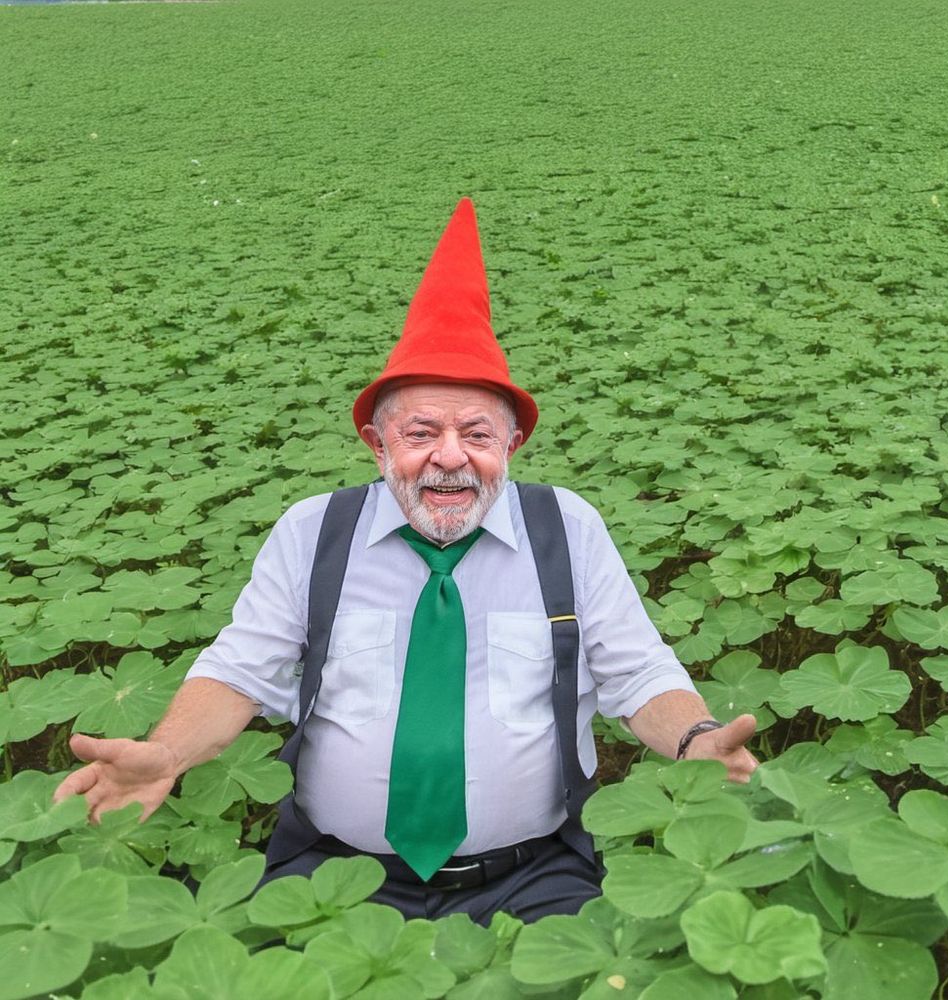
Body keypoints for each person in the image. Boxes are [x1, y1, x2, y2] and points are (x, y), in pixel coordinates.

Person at [54, 198, 757, 924]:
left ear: (512, 445)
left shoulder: (567, 529)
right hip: (333, 868)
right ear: (377, 443)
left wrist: (694, 739)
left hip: (535, 874)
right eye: (421, 432)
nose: (450, 457)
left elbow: (636, 671)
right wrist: (169, 754)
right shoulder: (313, 532)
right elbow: (240, 670)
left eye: (477, 434)